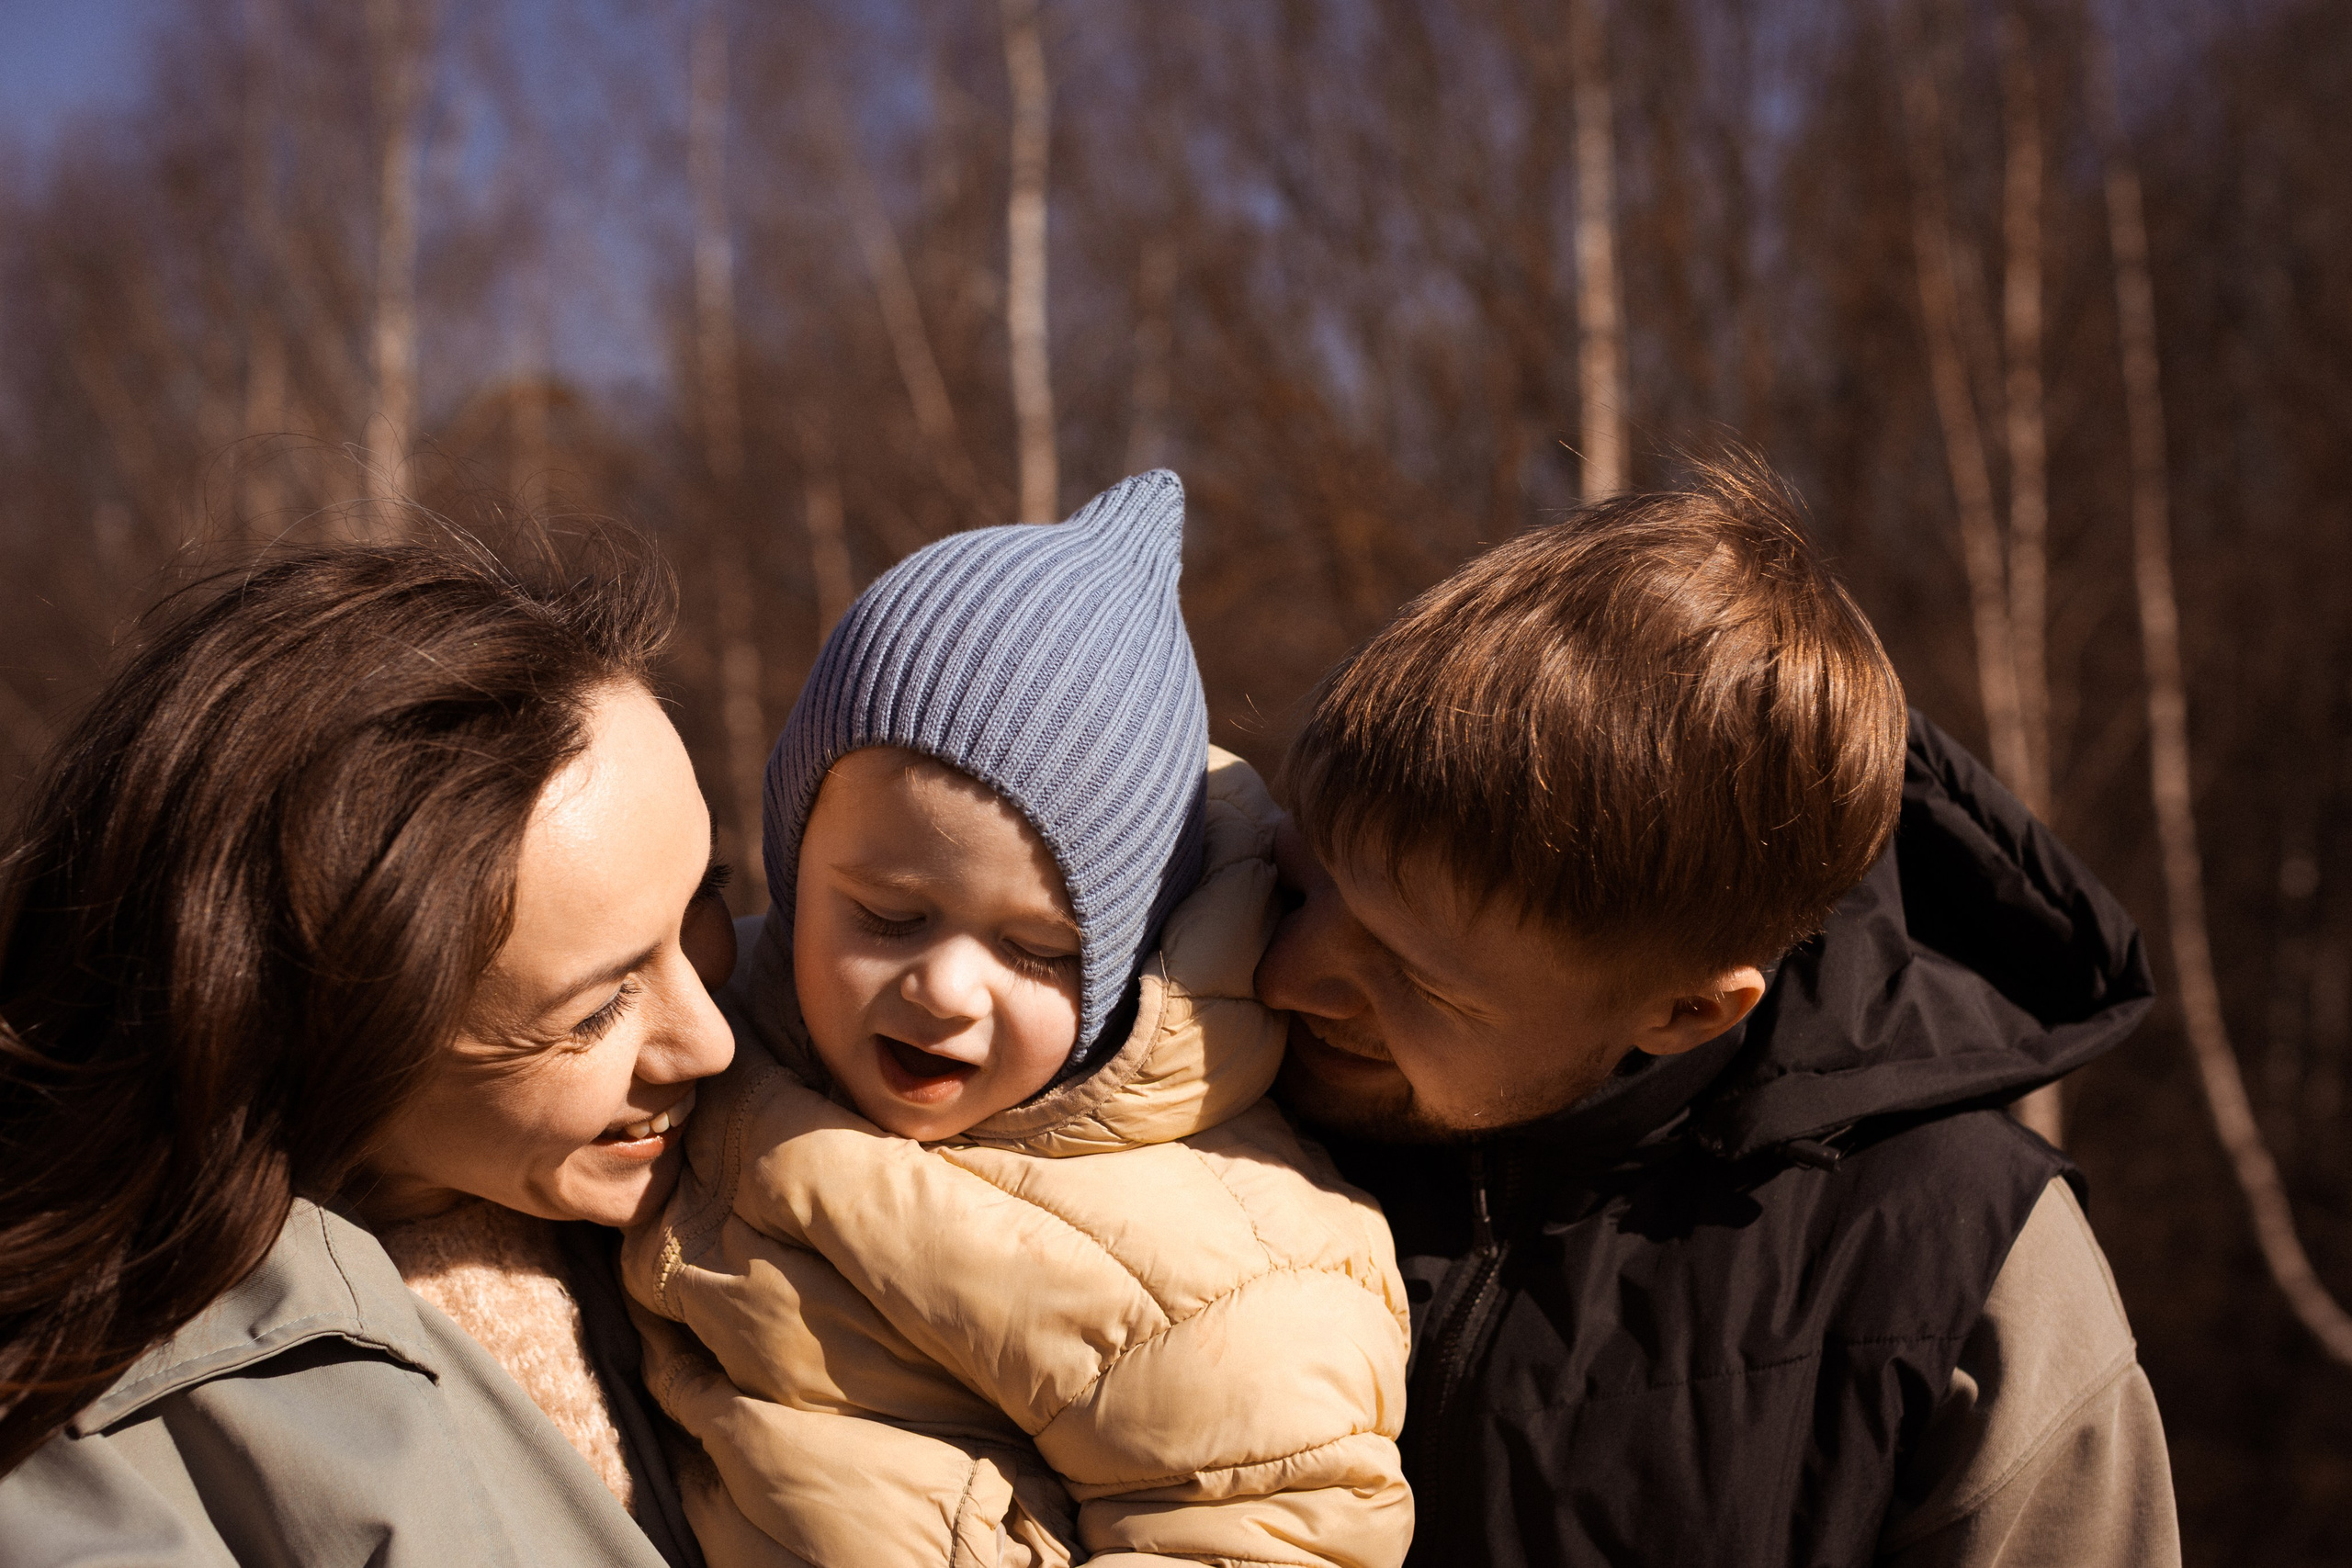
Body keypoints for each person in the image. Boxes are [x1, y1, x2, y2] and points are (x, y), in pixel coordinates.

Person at [1257, 460, 2180, 1567]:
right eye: (1302, 880)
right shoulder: (1145, 1051)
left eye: (1412, 978)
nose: (1284, 975)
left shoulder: (1962, 1271)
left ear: (1687, 1010)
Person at [622, 471, 1414, 1568]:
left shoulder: (1226, 1265)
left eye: (1037, 951)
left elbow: (1273, 1534)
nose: (946, 989)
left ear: (1131, 957)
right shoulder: (713, 1025)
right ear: (797, 872)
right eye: (889, 916)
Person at [0, 540, 738, 1566]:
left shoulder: (791, 1173)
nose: (711, 1039)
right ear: (329, 1035)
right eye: (595, 1010)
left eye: (706, 897)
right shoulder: (91, 1465)